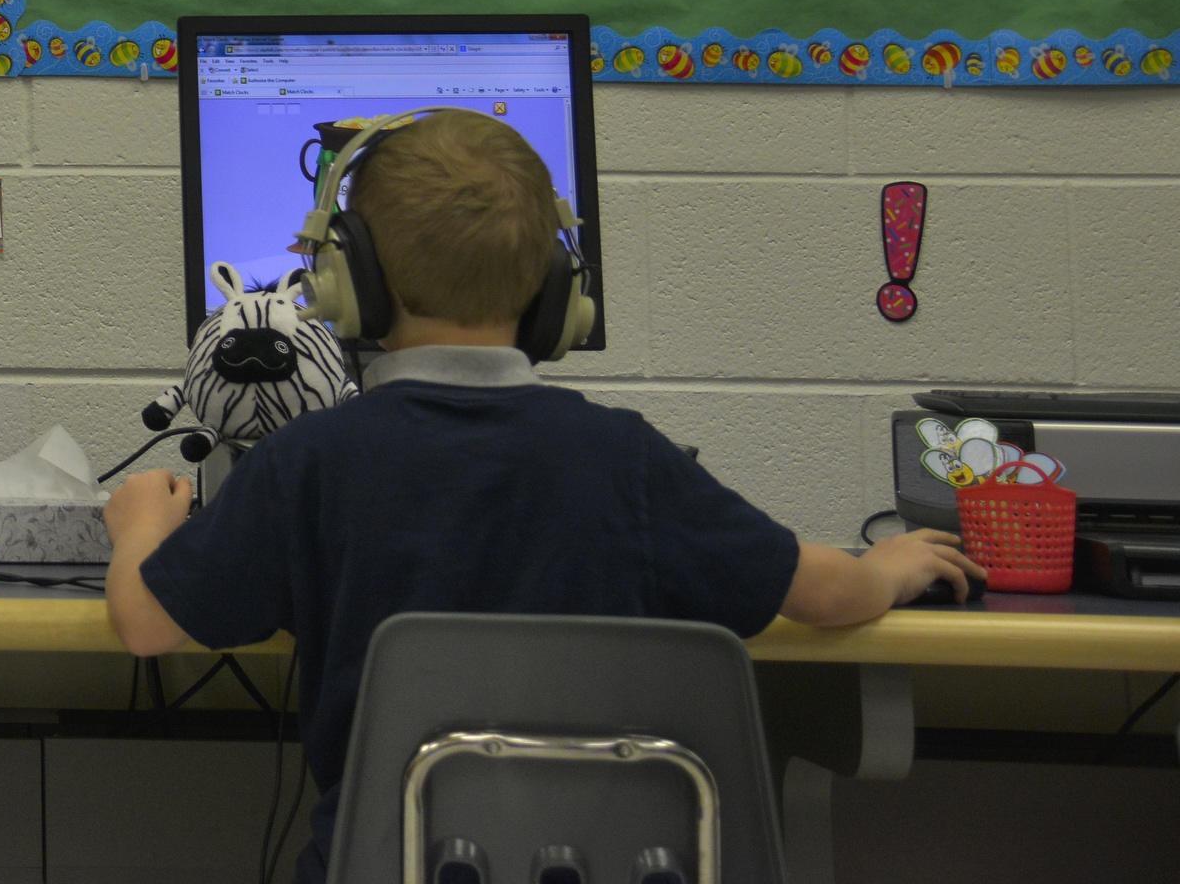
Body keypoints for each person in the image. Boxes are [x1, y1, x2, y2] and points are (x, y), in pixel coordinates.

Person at [103, 109, 982, 884]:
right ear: (558, 296)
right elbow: (826, 594)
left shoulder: (310, 460)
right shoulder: (628, 458)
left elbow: (147, 625)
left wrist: (143, 526)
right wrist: (897, 564)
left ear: (348, 285)